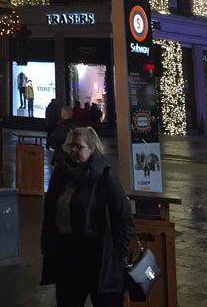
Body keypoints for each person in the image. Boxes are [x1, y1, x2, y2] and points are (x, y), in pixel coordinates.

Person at [41, 126, 134, 307]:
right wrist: (48, 243)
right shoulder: (61, 174)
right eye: (71, 146)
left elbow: (124, 219)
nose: (73, 150)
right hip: (67, 254)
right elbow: (50, 211)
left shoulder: (105, 178)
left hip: (98, 257)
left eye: (79, 146)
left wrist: (117, 254)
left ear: (92, 149)